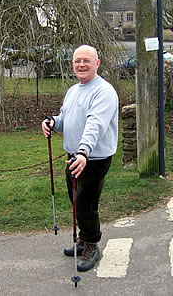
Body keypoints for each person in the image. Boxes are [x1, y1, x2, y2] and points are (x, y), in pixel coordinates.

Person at [42, 45, 118, 272]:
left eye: (87, 60)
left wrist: (83, 151)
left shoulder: (103, 91)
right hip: (74, 156)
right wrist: (53, 122)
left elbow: (95, 124)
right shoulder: (73, 90)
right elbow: (66, 118)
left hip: (93, 158)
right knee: (76, 200)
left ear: (97, 63)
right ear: (72, 64)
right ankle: (84, 238)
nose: (81, 64)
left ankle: (92, 244)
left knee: (85, 203)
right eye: (77, 61)